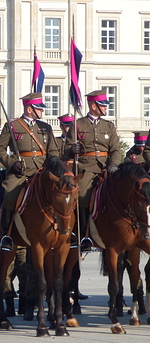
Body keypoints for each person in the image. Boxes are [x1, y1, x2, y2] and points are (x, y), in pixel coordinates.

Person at [0, 92, 59, 251]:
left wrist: (50, 165)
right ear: (30, 109)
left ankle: (61, 230)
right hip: (20, 172)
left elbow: (54, 152)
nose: (42, 111)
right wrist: (11, 164)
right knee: (9, 194)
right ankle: (6, 235)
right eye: (39, 108)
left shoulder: (46, 127)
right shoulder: (13, 125)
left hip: (42, 171)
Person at [64, 89, 121, 253]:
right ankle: (83, 235)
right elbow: (65, 149)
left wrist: (114, 164)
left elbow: (116, 149)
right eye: (103, 105)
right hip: (86, 168)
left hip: (106, 167)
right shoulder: (78, 124)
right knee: (82, 195)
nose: (106, 108)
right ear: (93, 106)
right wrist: (71, 149)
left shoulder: (109, 126)